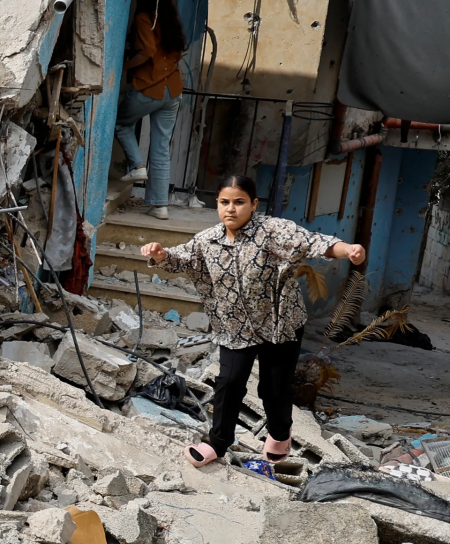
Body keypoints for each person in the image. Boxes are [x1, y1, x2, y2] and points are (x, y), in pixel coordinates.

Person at [139, 174, 367, 467]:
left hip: (279, 325)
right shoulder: (208, 241)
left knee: (274, 389)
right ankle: (217, 443)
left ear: (253, 204)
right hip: (235, 327)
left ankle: (280, 434)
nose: (230, 209)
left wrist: (348, 250)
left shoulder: (272, 232)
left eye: (239, 202)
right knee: (229, 383)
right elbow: (181, 259)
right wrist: (159, 255)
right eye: (224, 202)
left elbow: (312, 242)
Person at [114, 0, 187, 220]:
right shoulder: (170, 19)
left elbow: (146, 52)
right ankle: (160, 206)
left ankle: (137, 167)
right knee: (161, 147)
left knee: (121, 123)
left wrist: (124, 66)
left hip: (149, 88)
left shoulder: (144, 19)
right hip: (172, 89)